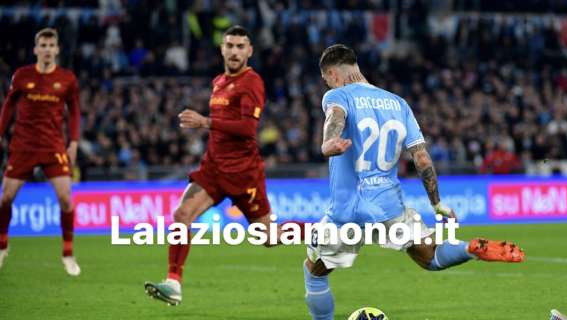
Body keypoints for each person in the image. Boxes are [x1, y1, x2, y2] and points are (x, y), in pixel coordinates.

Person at [303, 44, 525, 320]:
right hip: (389, 206)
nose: (328, 84)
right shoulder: (398, 103)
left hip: (348, 210)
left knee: (314, 273)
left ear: (333, 73)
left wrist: (327, 144)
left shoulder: (337, 95)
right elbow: (421, 159)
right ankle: (469, 249)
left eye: (326, 79)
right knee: (431, 257)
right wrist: (437, 203)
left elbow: (335, 116)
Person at [144, 25, 297, 306]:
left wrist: (206, 122)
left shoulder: (252, 82)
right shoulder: (218, 81)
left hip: (243, 173)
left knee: (269, 237)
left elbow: (248, 128)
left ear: (249, 51)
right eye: (230, 45)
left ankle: (320, 231)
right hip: (213, 169)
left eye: (241, 46)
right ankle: (173, 283)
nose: (235, 51)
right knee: (182, 215)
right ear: (222, 49)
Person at [0, 28, 81, 276]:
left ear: (57, 49)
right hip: (23, 145)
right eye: (42, 45)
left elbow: (75, 111)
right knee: (6, 198)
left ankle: (68, 254)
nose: (47, 49)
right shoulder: (22, 76)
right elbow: (8, 106)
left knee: (66, 198)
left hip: (53, 146)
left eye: (51, 45)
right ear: (36, 49)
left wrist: (74, 142)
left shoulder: (67, 79)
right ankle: (2, 246)